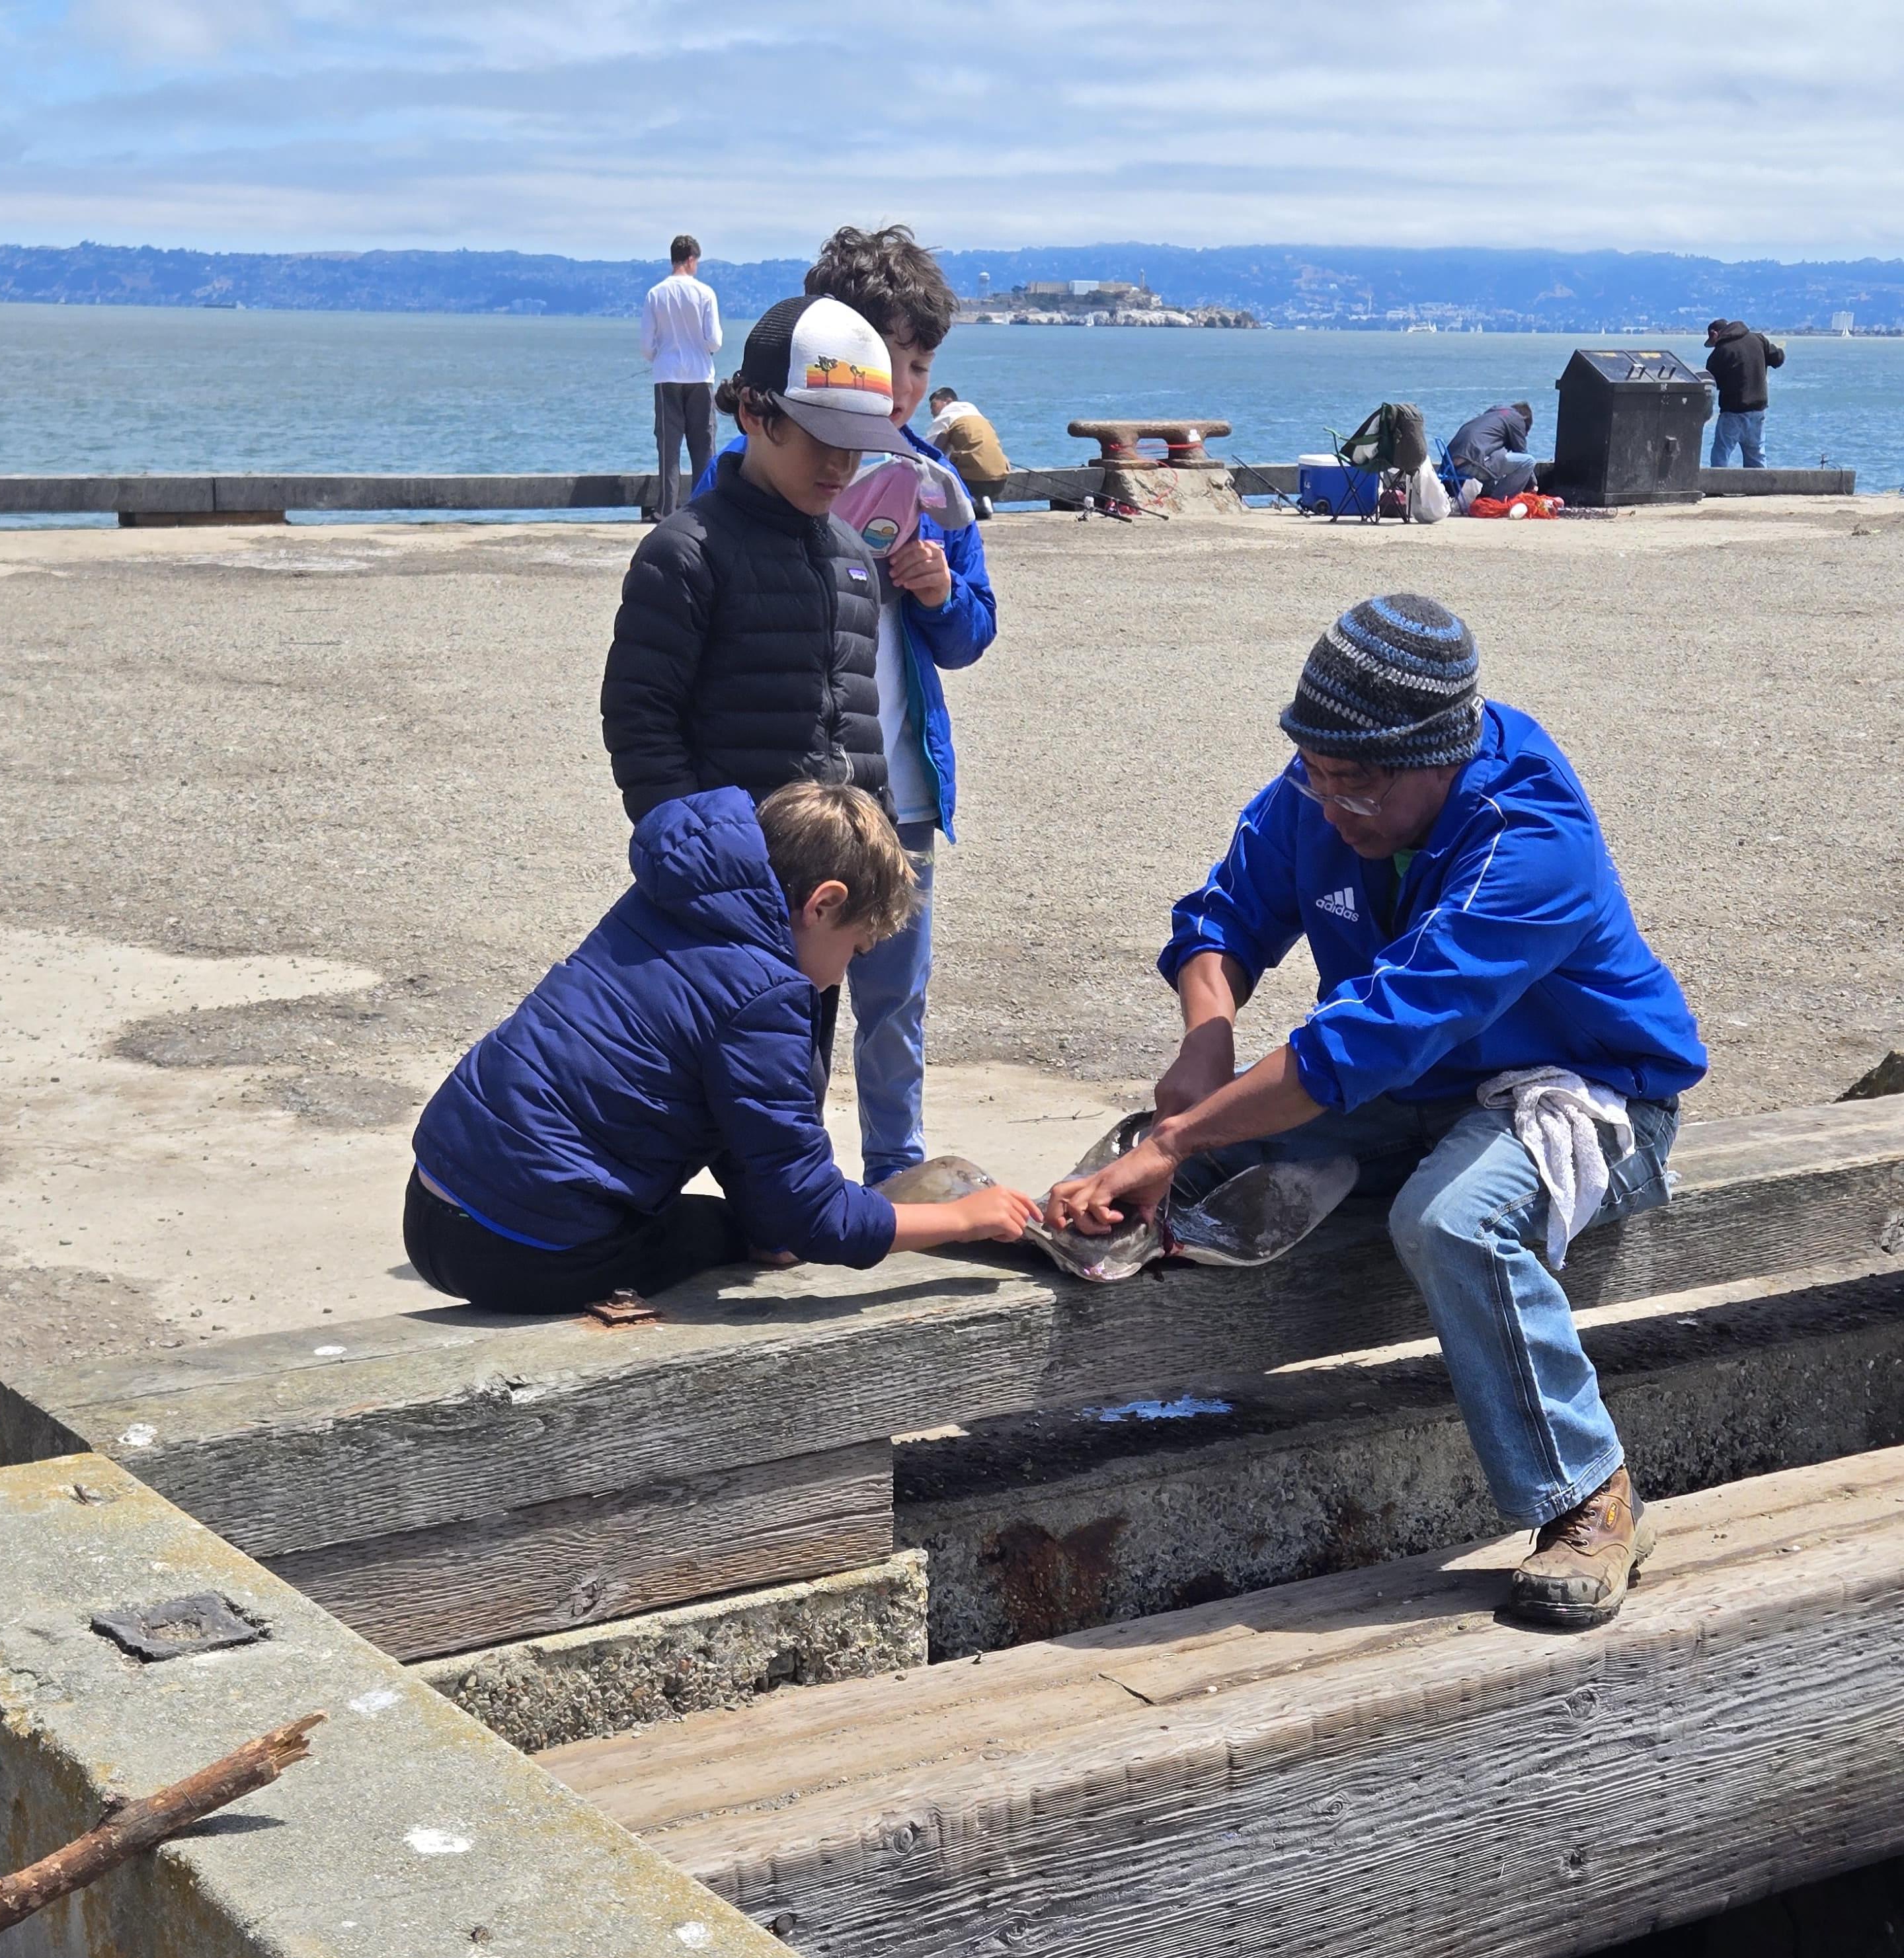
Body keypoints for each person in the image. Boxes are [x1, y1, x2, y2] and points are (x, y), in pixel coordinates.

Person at [1045, 593, 1707, 1632]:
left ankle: (1590, 1494)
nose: (1329, 802)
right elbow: (1221, 917)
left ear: (1439, 759)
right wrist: (1204, 1040)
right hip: (1415, 1090)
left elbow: (1372, 1035)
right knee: (1172, 1174)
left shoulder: (1531, 839)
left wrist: (1186, 1129)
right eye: (1314, 772)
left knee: (1449, 1220)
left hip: (1579, 1091)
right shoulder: (1326, 779)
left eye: (1354, 785)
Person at [404, 782, 1037, 1312]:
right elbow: (813, 1218)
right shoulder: (764, 993)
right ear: (823, 904)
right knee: (729, 1238)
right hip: (519, 1250)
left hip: (433, 1198)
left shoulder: (671, 903)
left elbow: (733, 1116)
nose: (843, 974)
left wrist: (778, 1214)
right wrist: (966, 1219)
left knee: (745, 1224)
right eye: (855, 948)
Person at [697, 223, 998, 1186]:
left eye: (916, 364)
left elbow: (972, 635)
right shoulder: (763, 470)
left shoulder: (927, 482)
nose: (902, 386)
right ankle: (781, 1177)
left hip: (899, 788)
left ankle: (893, 1172)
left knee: (893, 997)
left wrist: (937, 590)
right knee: (785, 1000)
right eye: (882, 357)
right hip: (790, 791)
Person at [602, 294, 912, 827]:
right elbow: (641, 723)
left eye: (858, 441)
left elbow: (862, 728)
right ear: (752, 411)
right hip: (732, 870)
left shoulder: (856, 559)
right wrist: (704, 851)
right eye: (821, 435)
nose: (840, 463)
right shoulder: (684, 554)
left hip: (844, 880)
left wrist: (878, 836)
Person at [640, 234, 723, 520]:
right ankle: (704, 506)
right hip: (700, 376)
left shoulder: (655, 294)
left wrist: (661, 357)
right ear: (691, 259)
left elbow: (646, 346)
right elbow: (714, 341)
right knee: (704, 445)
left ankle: (666, 509)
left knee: (669, 445)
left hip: (667, 376)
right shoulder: (705, 294)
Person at [1704, 319, 1785, 469]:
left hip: (1732, 411)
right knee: (1756, 454)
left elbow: (1714, 383)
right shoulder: (1758, 339)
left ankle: (1718, 487)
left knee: (1721, 453)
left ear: (1715, 334)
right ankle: (1759, 487)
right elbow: (1778, 359)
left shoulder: (1720, 352)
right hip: (1757, 410)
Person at [927, 387, 1010, 520]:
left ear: (948, 402)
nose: (931, 411)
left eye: (933, 405)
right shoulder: (976, 413)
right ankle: (983, 502)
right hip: (1000, 480)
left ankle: (976, 503)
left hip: (973, 481)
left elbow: (930, 452)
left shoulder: (947, 416)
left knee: (935, 466)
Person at [1447, 401, 1537, 502]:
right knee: (1529, 461)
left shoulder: (1495, 411)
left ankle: (1486, 497)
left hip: (1452, 463)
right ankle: (1498, 502)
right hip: (1472, 462)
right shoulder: (1518, 418)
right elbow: (1521, 451)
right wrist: (1532, 484)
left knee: (1497, 458)